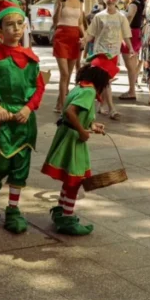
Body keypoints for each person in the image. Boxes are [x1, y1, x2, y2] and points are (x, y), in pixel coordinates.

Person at [0, 0, 45, 234]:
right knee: (0, 163)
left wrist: (28, 108)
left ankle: (13, 209)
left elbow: (38, 88)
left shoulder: (31, 58)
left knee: (20, 165)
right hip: (0, 118)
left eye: (19, 24)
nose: (16, 29)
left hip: (24, 121)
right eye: (9, 25)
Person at [42, 64, 109, 236]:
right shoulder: (89, 91)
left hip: (66, 133)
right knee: (76, 179)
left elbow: (75, 113)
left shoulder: (79, 87)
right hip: (73, 138)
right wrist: (81, 131)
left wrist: (91, 125)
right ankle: (67, 218)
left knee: (69, 176)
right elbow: (72, 112)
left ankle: (61, 210)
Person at [83, 0, 133, 120]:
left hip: (114, 53)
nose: (110, 0)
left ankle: (101, 105)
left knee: (104, 81)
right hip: (100, 52)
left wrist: (131, 48)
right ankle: (112, 109)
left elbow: (126, 35)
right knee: (105, 80)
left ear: (116, 0)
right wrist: (83, 41)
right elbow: (91, 34)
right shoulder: (99, 16)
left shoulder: (121, 17)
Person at [52, 0, 86, 113]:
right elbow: (55, 22)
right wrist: (59, 6)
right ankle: (63, 105)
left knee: (70, 73)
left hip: (74, 37)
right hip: (61, 36)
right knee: (64, 73)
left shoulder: (80, 1)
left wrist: (84, 38)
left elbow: (79, 23)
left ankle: (59, 103)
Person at [119, 0, 145, 101]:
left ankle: (131, 91)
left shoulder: (134, 4)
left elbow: (129, 18)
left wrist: (122, 33)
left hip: (130, 35)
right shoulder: (138, 3)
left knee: (130, 65)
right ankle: (132, 89)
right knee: (132, 65)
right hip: (136, 34)